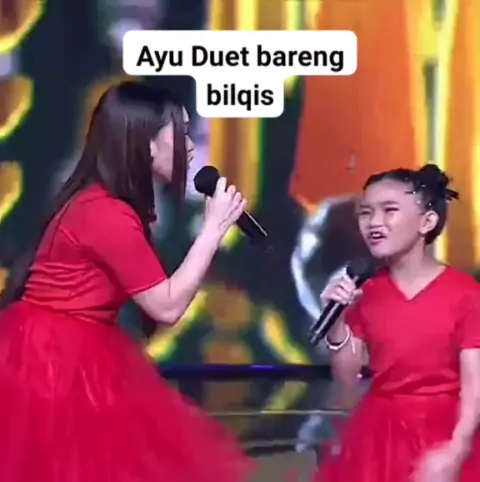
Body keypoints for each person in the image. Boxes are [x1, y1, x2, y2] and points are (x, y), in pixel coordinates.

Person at [0, 81, 255, 481]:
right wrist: (212, 230)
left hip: (70, 352)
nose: (190, 147)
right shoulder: (105, 213)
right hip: (53, 365)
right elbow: (166, 306)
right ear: (147, 145)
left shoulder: (107, 205)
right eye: (181, 134)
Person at [315, 164, 480, 482]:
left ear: (427, 221)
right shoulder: (366, 292)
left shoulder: (467, 294)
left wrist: (456, 449)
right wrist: (336, 322)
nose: (374, 222)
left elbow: (475, 387)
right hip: (379, 437)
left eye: (389, 210)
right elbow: (347, 376)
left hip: (446, 430)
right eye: (366, 213)